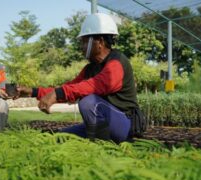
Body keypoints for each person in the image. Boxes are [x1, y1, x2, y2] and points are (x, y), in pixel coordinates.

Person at [17, 13, 141, 143]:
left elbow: (96, 85)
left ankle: (104, 150)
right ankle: (98, 141)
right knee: (58, 138)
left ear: (100, 42)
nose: (82, 47)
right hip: (105, 124)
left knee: (89, 102)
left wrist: (57, 94)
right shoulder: (90, 69)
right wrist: (32, 92)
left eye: (85, 42)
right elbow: (69, 89)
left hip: (124, 124)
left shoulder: (117, 63)